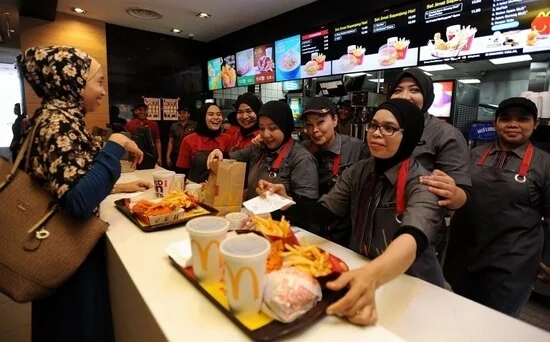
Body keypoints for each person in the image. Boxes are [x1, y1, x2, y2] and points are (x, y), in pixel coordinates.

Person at [257, 99, 446, 326]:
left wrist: (371, 276)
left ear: (410, 135)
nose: (376, 133)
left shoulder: (423, 182)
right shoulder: (360, 171)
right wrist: (286, 201)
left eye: (389, 128)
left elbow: (412, 238)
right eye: (374, 126)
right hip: (364, 271)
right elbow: (325, 212)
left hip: (414, 286)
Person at [18, 46, 152, 342]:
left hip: (57, 251)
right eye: (99, 81)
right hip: (66, 254)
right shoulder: (59, 122)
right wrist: (115, 144)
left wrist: (117, 186)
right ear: (74, 82)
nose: (103, 91)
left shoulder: (53, 116)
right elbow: (78, 200)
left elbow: (64, 185)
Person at [444, 97, 550, 317]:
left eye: (522, 119)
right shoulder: (472, 155)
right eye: (506, 119)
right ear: (495, 123)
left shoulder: (545, 165)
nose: (513, 124)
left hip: (512, 264)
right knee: (457, 317)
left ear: (535, 124)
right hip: (464, 255)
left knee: (494, 326)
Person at [207, 101, 319, 231]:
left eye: (272, 128)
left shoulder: (301, 158)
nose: (265, 134)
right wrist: (219, 152)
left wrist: (274, 216)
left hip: (284, 229)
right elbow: (234, 156)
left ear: (285, 127)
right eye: (261, 128)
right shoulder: (259, 148)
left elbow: (307, 211)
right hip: (252, 222)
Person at [391, 68, 471, 211]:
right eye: (397, 90)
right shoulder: (383, 129)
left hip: (423, 216)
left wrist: (454, 194)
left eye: (414, 90)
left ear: (427, 97)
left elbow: (461, 195)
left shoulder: (446, 134)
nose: (404, 96)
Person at [301, 97, 367, 244]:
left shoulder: (356, 148)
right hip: (312, 230)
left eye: (320, 122)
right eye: (309, 125)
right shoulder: (302, 150)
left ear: (335, 120)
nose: (315, 130)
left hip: (345, 233)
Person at [177, 103, 232, 183]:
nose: (216, 117)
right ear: (202, 117)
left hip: (222, 190)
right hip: (196, 190)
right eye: (211, 114)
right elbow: (181, 173)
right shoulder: (189, 140)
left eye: (219, 114)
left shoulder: (228, 138)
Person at [166, 105, 197, 170]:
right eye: (180, 113)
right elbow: (171, 142)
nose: (182, 115)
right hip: (177, 154)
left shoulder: (195, 125)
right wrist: (168, 156)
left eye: (184, 113)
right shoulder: (174, 126)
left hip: (191, 155)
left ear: (189, 115)